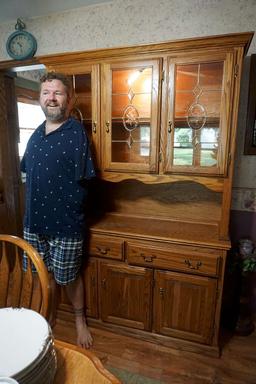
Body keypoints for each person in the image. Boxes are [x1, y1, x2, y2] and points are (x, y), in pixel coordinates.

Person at [20, 72, 95, 348]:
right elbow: (28, 171)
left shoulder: (76, 134)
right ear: (40, 98)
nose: (51, 98)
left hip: (66, 225)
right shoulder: (35, 135)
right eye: (45, 93)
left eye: (57, 93)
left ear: (69, 99)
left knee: (69, 277)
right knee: (45, 275)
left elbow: (86, 182)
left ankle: (79, 320)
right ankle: (48, 316)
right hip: (34, 224)